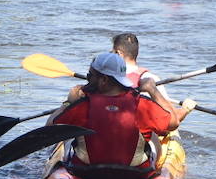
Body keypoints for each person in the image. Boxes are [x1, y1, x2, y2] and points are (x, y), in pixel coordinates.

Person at [49, 52, 195, 170]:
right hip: (135, 174)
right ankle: (155, 169)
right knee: (153, 135)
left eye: (90, 76)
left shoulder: (82, 105)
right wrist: (152, 89)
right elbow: (174, 123)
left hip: (87, 172)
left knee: (68, 136)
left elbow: (49, 129)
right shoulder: (141, 104)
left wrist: (68, 102)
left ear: (104, 80)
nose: (87, 81)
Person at [112, 32, 172, 101]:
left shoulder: (108, 78)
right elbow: (168, 111)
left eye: (112, 52)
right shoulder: (151, 78)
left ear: (119, 53)